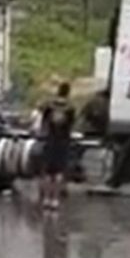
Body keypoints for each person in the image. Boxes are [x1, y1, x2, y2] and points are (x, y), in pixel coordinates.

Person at [39, 82, 76, 210]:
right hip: (63, 143)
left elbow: (44, 122)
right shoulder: (70, 108)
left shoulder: (50, 106)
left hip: (50, 141)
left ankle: (46, 200)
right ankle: (55, 200)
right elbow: (71, 125)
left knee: (48, 173)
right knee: (59, 173)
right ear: (68, 92)